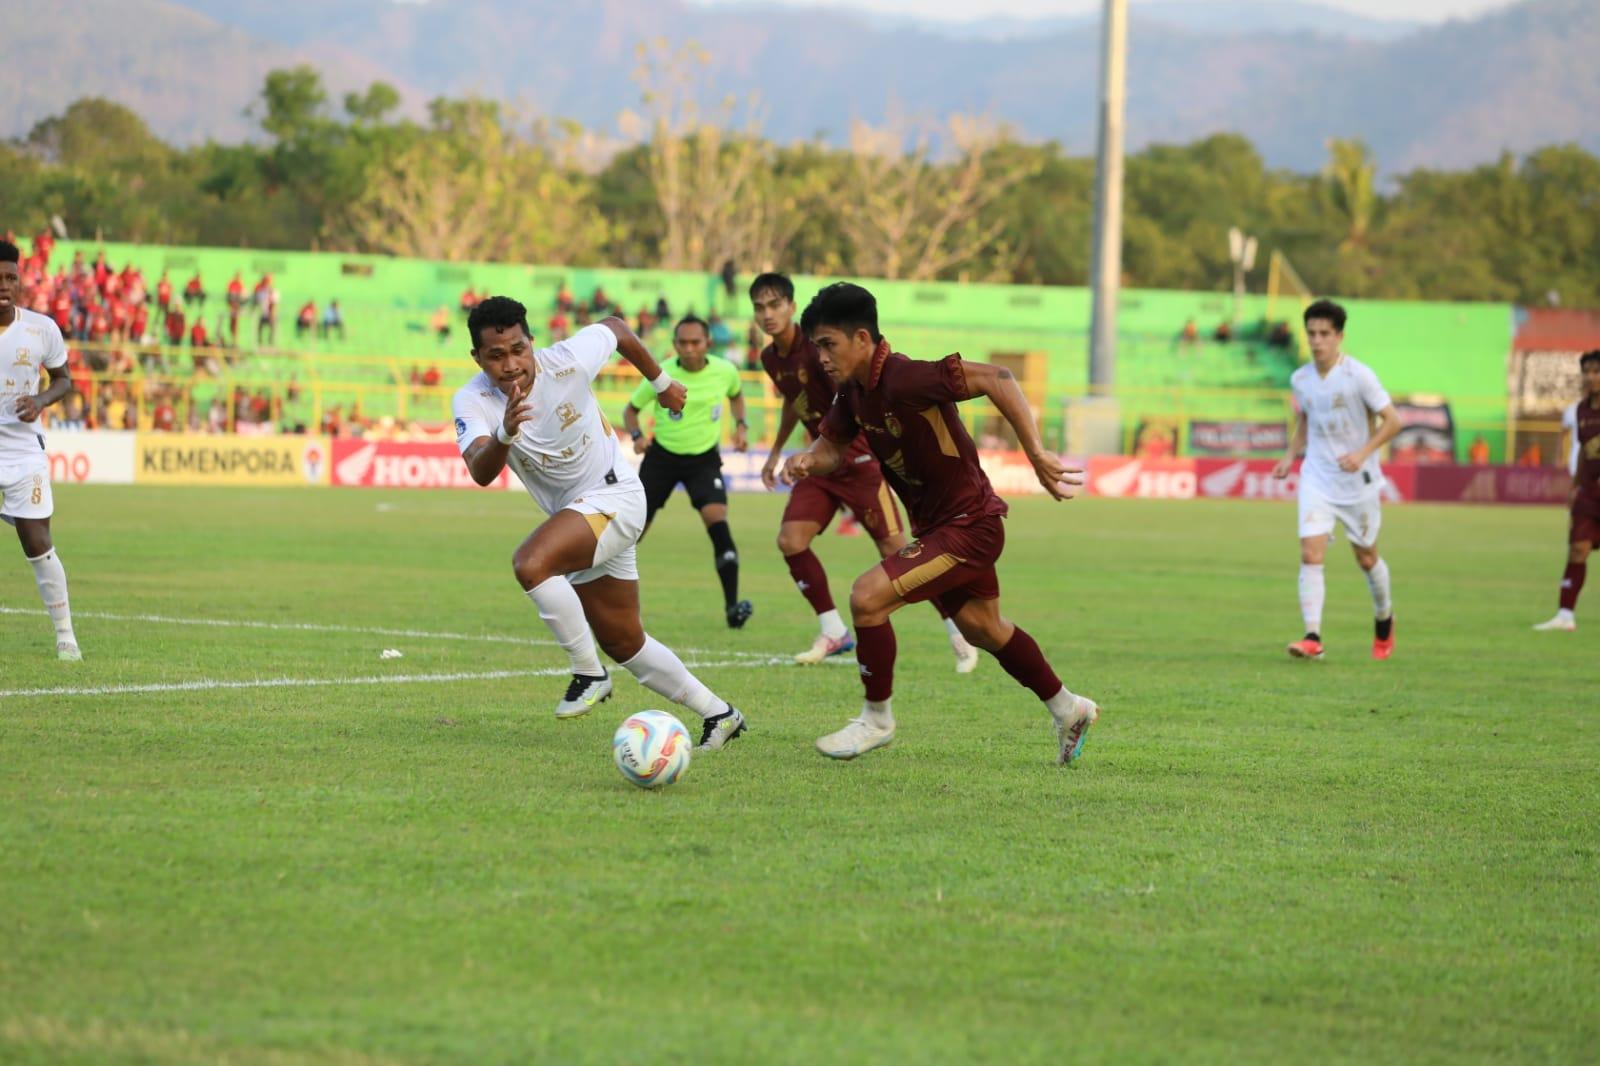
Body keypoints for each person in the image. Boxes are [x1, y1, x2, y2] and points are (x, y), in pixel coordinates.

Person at [780, 283, 1096, 763]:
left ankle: (876, 719)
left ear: (861, 338)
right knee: (983, 629)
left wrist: (1036, 453)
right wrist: (806, 461)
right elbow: (831, 450)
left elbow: (999, 376)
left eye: (828, 344)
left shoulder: (906, 378)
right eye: (817, 346)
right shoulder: (854, 393)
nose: (821, 356)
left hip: (970, 526)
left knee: (867, 598)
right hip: (943, 529)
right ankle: (1069, 708)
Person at [452, 296, 748, 747]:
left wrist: (662, 381)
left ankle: (589, 674)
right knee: (626, 641)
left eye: (518, 349)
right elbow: (479, 469)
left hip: (618, 497)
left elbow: (617, 327)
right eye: (496, 355)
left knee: (531, 563)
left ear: (532, 342)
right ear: (477, 357)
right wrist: (505, 432)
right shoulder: (473, 400)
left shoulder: (567, 359)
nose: (511, 364)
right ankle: (720, 714)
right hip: (581, 520)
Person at [751, 272, 978, 671]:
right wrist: (775, 452)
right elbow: (794, 400)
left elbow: (853, 388)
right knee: (791, 540)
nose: (767, 315)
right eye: (759, 307)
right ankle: (833, 630)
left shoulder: (819, 346)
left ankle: (957, 632)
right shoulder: (770, 359)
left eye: (775, 305)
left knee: (897, 551)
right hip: (819, 463)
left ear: (791, 306)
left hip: (856, 459)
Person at [1272, 299, 1402, 661]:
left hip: (1357, 482)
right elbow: (1306, 421)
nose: (1317, 341)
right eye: (1312, 333)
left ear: (1339, 336)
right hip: (1317, 476)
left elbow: (1393, 421)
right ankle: (1313, 636)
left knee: (1366, 557)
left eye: (1324, 334)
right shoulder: (1301, 378)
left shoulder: (1359, 376)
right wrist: (1289, 455)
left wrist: (1363, 452)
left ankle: (1384, 617)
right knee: (1310, 552)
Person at [622, 315, 753, 629]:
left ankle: (733, 608)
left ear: (708, 343)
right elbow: (630, 410)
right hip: (662, 458)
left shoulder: (726, 371)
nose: (690, 348)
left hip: (704, 461)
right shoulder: (661, 373)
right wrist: (637, 437)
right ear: (675, 345)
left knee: (718, 523)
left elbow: (736, 395)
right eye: (683, 342)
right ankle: (601, 595)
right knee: (631, 533)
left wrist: (741, 425)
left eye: (696, 342)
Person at [0, 240, 81, 660]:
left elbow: (65, 379)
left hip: (23, 452)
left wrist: (40, 401)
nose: (4, 285)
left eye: (11, 278)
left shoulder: (41, 328)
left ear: (20, 282)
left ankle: (65, 635)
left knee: (37, 541)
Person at [1533, 349, 1600, 631]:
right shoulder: (1581, 410)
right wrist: (1575, 487)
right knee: (1577, 550)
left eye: (1596, 371)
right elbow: (1585, 452)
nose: (1590, 377)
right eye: (1587, 371)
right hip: (1589, 492)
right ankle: (1565, 615)